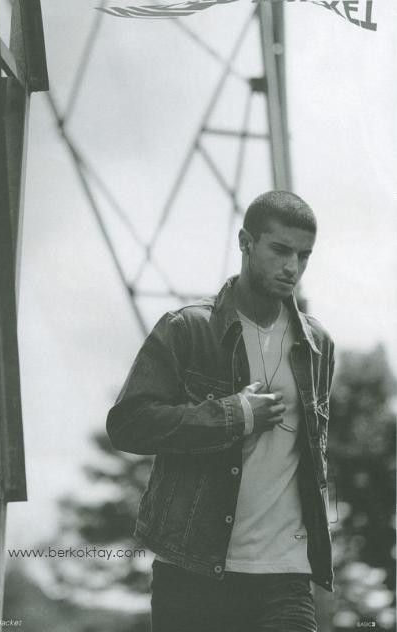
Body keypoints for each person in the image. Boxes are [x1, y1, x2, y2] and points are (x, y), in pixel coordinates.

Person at [107, 191, 335, 632]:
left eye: (303, 255)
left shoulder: (317, 345)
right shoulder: (189, 328)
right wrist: (234, 415)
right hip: (192, 571)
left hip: (284, 574)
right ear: (245, 242)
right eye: (280, 250)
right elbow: (128, 425)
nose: (292, 267)